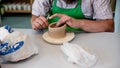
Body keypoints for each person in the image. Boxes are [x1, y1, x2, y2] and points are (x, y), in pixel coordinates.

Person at [31, 0, 114, 32]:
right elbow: (35, 17)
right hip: (52, 38)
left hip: (85, 39)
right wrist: (36, 22)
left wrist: (80, 23)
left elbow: (109, 26)